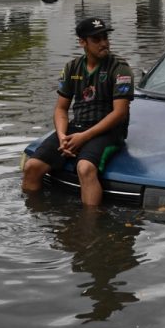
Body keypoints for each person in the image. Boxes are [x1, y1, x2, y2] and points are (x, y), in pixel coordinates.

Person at [22, 17, 134, 205]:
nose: (104, 43)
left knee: (85, 168)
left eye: (105, 37)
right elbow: (61, 108)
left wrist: (84, 137)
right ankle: (34, 215)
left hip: (108, 131)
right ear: (82, 42)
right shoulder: (72, 67)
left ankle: (88, 227)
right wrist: (62, 136)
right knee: (32, 166)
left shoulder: (120, 68)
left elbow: (120, 113)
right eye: (96, 40)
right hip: (78, 126)